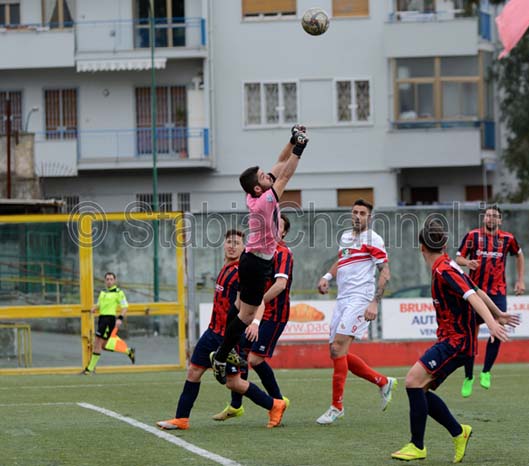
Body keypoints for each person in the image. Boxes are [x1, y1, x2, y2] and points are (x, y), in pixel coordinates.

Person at [391, 220, 511, 462]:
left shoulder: (444, 270)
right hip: (453, 341)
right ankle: (459, 432)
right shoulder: (449, 266)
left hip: (456, 343)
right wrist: (498, 313)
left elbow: (472, 296)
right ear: (444, 245)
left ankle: (417, 446)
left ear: (421, 247)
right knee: (420, 388)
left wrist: (491, 322)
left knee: (413, 381)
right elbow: (478, 290)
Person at [157, 229, 285, 430]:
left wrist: (255, 322)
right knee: (193, 371)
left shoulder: (243, 272)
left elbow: (258, 301)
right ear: (224, 245)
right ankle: (181, 419)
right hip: (212, 332)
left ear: (244, 248)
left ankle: (275, 405)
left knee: (234, 383)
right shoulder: (225, 268)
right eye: (229, 242)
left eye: (237, 243)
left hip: (228, 337)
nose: (232, 246)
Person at [210, 125, 308, 387]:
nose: (268, 175)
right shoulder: (265, 201)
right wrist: (300, 148)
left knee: (239, 305)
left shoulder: (255, 192)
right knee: (246, 315)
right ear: (257, 188)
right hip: (256, 264)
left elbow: (279, 162)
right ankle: (221, 356)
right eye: (263, 176)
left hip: (251, 260)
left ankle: (225, 348)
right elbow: (286, 174)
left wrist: (292, 141)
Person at [315, 199, 396, 425]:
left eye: (362, 213)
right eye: (355, 212)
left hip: (360, 299)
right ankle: (383, 382)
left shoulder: (373, 239)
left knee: (338, 348)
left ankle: (336, 407)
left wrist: (374, 303)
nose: (357, 216)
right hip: (343, 299)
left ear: (370, 217)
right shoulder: (346, 237)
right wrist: (327, 277)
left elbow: (385, 272)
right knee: (335, 351)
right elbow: (342, 259)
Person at [213, 214, 293, 421]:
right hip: (254, 311)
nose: (273, 229)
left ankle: (277, 402)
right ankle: (235, 405)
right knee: (239, 352)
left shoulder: (283, 252)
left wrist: (257, 305)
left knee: (255, 359)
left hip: (273, 314)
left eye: (279, 226)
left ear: (284, 232)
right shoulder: (260, 250)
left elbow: (280, 285)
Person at [455, 204, 525, 397]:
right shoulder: (473, 236)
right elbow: (458, 258)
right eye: (488, 215)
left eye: (494, 216)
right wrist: (468, 262)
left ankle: (486, 371)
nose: (491, 218)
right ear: (484, 218)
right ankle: (468, 376)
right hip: (474, 293)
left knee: (498, 330)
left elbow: (519, 255)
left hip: (497, 292)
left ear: (500, 220)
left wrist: (520, 280)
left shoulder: (508, 238)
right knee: (470, 335)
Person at [82, 272, 135, 374]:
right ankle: (128, 351)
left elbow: (125, 307)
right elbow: (99, 304)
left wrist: (120, 318)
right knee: (103, 345)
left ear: (115, 281)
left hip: (109, 320)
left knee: (97, 343)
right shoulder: (103, 292)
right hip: (102, 319)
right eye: (107, 279)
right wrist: (94, 308)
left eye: (111, 279)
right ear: (105, 281)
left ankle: (89, 370)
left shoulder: (118, 292)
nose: (109, 281)